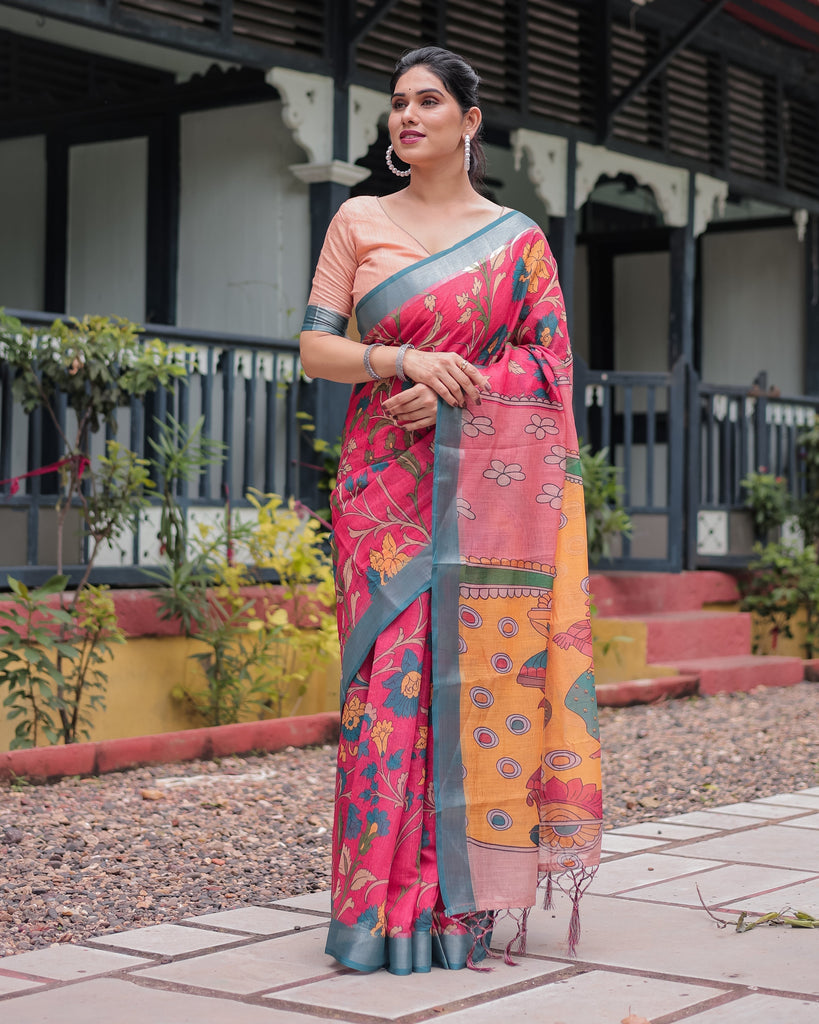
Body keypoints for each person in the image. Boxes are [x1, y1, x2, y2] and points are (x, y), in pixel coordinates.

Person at [300, 46, 602, 976]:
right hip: (379, 488)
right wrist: (405, 363)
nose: (407, 115)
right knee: (386, 690)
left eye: (428, 101)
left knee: (469, 678)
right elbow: (315, 350)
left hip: (479, 498)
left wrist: (462, 393)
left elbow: (551, 373)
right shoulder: (358, 220)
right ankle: (376, 910)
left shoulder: (518, 242)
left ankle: (452, 906)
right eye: (397, 103)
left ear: (470, 122)